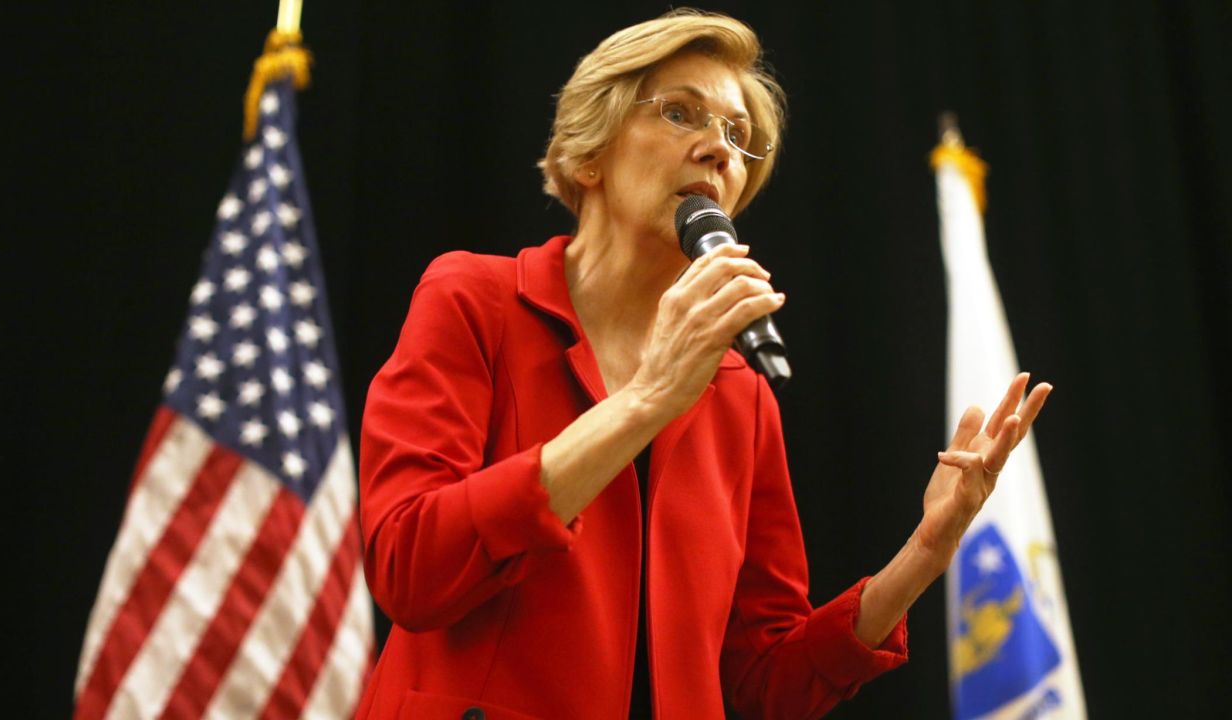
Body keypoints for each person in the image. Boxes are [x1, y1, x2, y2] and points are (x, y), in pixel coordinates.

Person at [353, 9, 1051, 720]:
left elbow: (764, 683)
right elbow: (410, 567)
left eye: (737, 137)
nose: (718, 149)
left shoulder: (740, 396)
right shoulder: (476, 301)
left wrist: (927, 551)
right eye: (681, 113)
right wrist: (645, 401)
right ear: (586, 154)